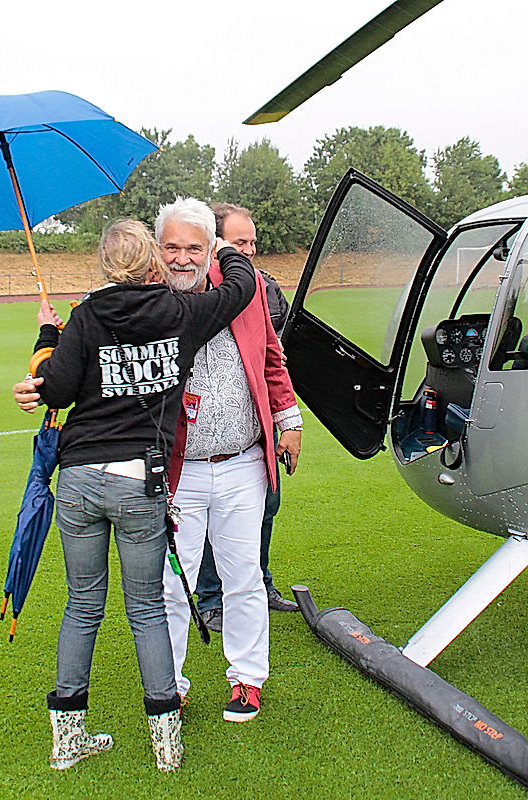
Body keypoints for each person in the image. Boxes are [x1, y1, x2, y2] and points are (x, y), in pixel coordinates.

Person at [23, 215, 255, 771]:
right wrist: (223, 247)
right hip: (138, 480)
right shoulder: (178, 313)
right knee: (147, 607)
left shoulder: (86, 316)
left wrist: (47, 335)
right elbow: (241, 288)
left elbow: (54, 389)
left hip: (79, 478)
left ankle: (67, 741)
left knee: (83, 606)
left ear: (104, 266)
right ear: (153, 260)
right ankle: (166, 746)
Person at [153, 200, 303, 723]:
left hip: (243, 461)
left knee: (244, 580)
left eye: (193, 246)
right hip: (177, 472)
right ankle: (168, 685)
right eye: (171, 247)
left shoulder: (245, 287)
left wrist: (289, 421)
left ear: (209, 246)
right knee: (173, 585)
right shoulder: (149, 293)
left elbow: (271, 358)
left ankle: (247, 680)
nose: (181, 257)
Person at [194, 203, 298, 634]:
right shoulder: (194, 287)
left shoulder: (264, 286)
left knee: (266, 507)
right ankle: (211, 599)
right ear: (216, 244)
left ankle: (261, 583)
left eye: (253, 242)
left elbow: (275, 351)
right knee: (206, 515)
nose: (250, 251)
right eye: (240, 243)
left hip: (256, 420)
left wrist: (288, 420)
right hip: (202, 431)